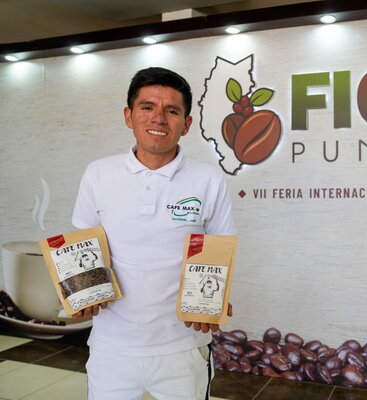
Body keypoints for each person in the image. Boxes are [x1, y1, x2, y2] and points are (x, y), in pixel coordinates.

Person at [71, 67, 235, 400]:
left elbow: (218, 250)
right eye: (147, 107)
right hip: (111, 346)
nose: (158, 118)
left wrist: (215, 298)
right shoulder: (98, 173)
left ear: (186, 124)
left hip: (183, 346)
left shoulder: (208, 179)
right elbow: (83, 246)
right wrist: (80, 294)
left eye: (172, 111)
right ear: (128, 116)